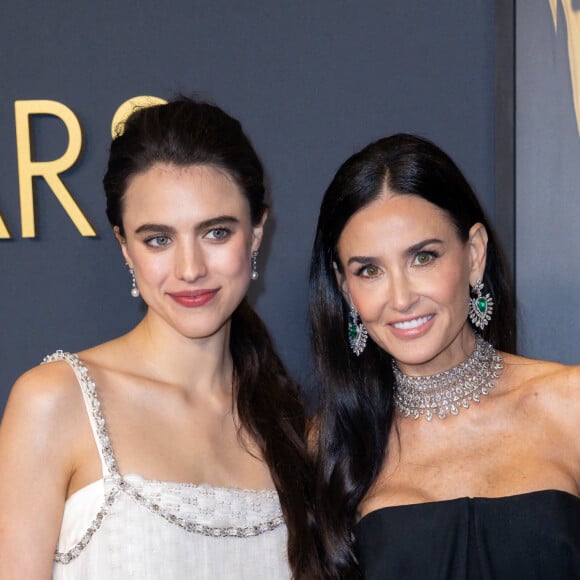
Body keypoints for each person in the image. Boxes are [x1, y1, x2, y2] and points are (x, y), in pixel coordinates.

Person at [0, 97, 319, 579]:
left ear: (255, 234)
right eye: (158, 240)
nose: (190, 269)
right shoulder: (55, 401)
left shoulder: (292, 427)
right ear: (124, 247)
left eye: (216, 232)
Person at [308, 133, 580, 579]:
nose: (400, 298)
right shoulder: (328, 446)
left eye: (423, 258)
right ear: (344, 288)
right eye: (369, 271)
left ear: (473, 254)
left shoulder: (570, 406)